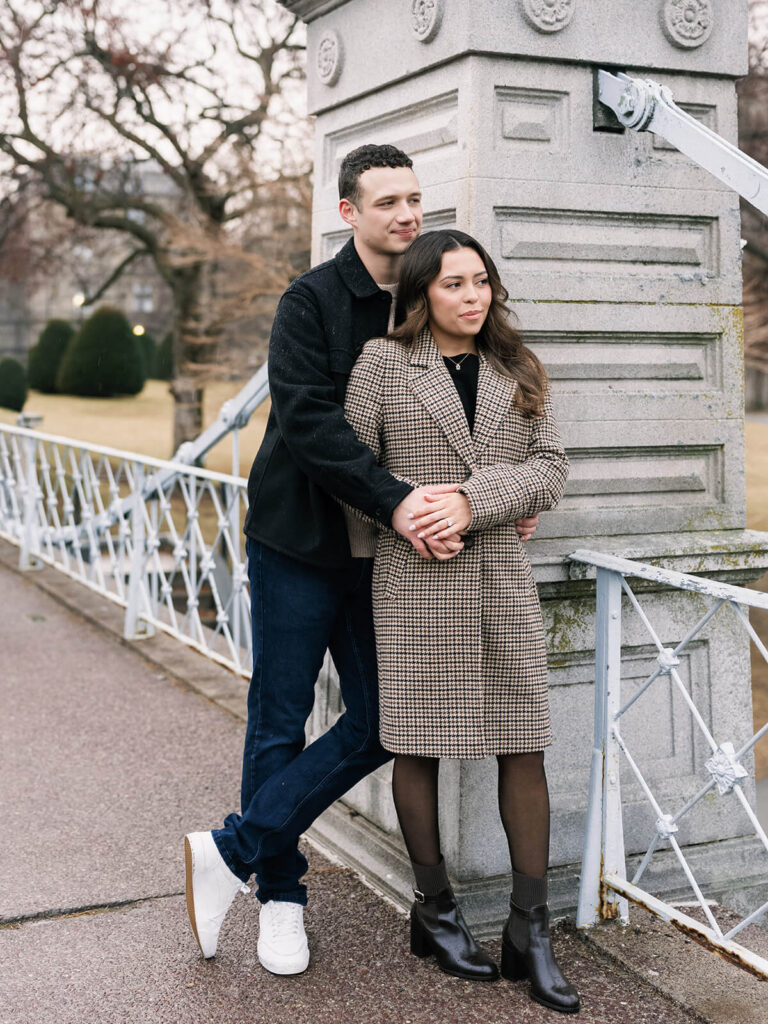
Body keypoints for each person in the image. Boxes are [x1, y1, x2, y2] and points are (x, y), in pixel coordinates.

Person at [183, 145, 539, 975]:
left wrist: (492, 502)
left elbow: (477, 420)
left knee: (387, 721)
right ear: (350, 212)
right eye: (387, 202)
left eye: (415, 198)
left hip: (396, 558)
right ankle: (281, 896)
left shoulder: (443, 300)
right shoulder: (308, 302)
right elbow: (311, 425)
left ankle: (229, 849)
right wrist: (405, 501)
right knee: (279, 718)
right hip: (302, 544)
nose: (407, 214)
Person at [342, 229, 579, 1014]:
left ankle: (528, 929)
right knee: (417, 744)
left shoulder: (520, 367)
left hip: (501, 581)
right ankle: (435, 911)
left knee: (524, 741)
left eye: (482, 282)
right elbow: (353, 471)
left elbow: (552, 467)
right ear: (421, 295)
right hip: (415, 576)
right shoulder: (383, 364)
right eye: (454, 285)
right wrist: (417, 512)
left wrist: (476, 502)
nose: (473, 297)